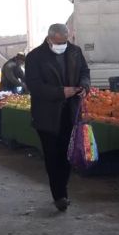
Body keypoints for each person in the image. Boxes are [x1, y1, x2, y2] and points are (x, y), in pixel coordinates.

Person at [26, 23, 90, 212]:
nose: (63, 45)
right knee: (52, 155)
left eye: (65, 41)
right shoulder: (35, 57)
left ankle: (62, 189)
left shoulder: (75, 52)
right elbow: (35, 87)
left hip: (70, 113)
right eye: (59, 42)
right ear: (50, 38)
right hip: (46, 115)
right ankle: (59, 195)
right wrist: (61, 92)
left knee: (66, 154)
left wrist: (84, 86)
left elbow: (85, 72)